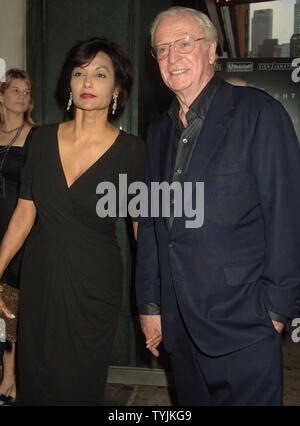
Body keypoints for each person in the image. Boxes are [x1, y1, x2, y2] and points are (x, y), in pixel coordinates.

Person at [135, 6, 300, 406]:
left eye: (184, 44)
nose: (172, 57)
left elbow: (287, 216)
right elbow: (156, 226)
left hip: (244, 324)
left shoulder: (259, 114)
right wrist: (151, 304)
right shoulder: (158, 131)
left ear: (211, 51)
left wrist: (274, 312)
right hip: (179, 326)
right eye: (162, 50)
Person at [0, 38, 145, 405]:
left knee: (78, 383)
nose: (87, 83)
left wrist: (155, 295)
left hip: (94, 284)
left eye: (100, 74)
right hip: (40, 277)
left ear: (117, 87)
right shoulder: (41, 140)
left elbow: (141, 226)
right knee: (34, 378)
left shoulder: (132, 151)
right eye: (80, 73)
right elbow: (24, 212)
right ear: (69, 82)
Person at [0, 69, 38, 406]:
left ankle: (14, 376)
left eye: (27, 92)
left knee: (16, 305)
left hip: (19, 227)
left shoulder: (35, 136)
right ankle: (7, 373)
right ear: (1, 95)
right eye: (15, 90)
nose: (22, 97)